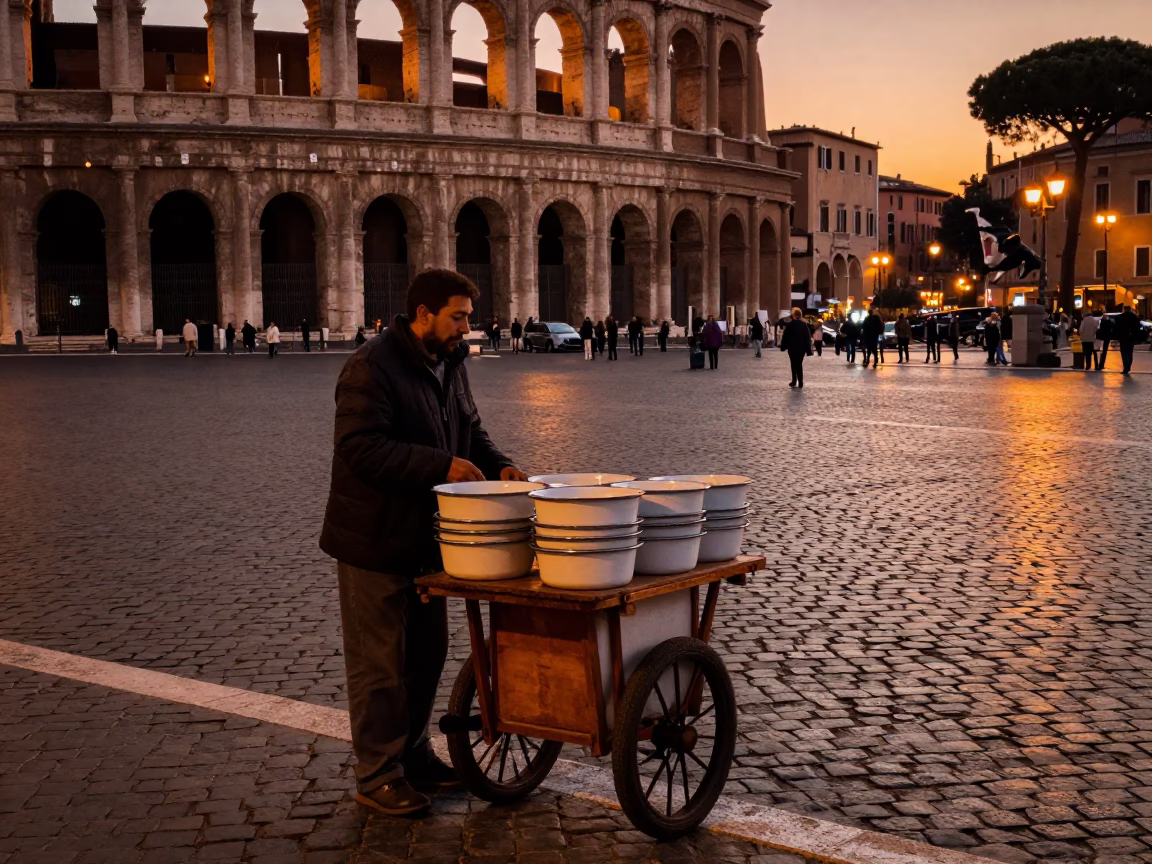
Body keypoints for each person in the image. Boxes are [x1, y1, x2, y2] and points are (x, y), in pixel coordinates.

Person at [320, 268, 526, 817]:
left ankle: (412, 754)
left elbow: (470, 430)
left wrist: (498, 464)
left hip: (429, 541)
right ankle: (377, 773)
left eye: (467, 316)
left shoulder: (450, 363)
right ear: (423, 314)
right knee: (380, 665)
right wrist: (442, 465)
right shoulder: (370, 368)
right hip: (375, 539)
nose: (466, 327)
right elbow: (360, 448)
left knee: (426, 657)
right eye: (458, 316)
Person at [780, 308, 812, 388]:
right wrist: (808, 349)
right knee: (799, 364)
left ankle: (794, 381)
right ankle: (800, 382)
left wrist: (783, 346)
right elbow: (807, 337)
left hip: (792, 348)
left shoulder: (790, 325)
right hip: (801, 349)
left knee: (793, 364)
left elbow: (785, 337)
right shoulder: (804, 325)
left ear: (793, 315)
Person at [1117, 305, 1141, 375]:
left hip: (1123, 338)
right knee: (1129, 352)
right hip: (1131, 338)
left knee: (1124, 353)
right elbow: (1137, 328)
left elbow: (1117, 328)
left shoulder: (1120, 317)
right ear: (1130, 309)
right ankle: (1128, 366)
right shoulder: (1134, 317)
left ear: (1124, 309)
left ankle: (1125, 367)